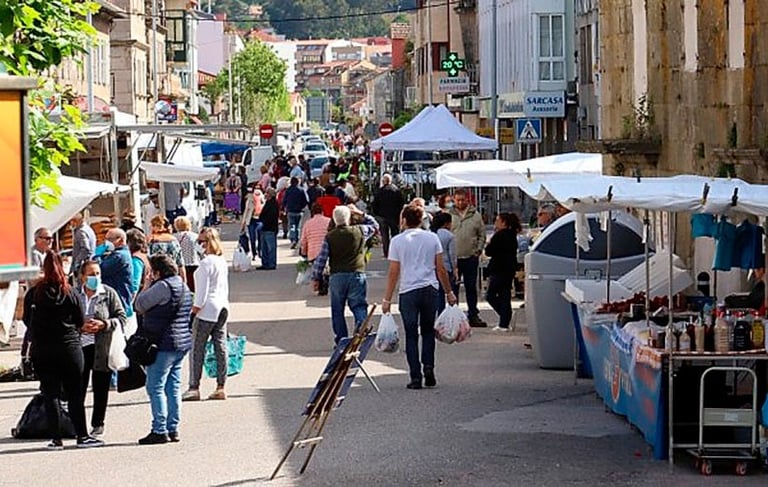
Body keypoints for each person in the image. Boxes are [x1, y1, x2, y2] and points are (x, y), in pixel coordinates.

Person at [23, 251, 103, 449]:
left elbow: (26, 320)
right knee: (75, 393)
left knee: (50, 394)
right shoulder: (70, 292)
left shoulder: (34, 294)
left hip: (43, 349)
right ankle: (82, 436)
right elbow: (79, 320)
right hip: (69, 347)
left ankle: (55, 439)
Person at [382, 205, 456, 390]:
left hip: (408, 290)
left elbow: (394, 271)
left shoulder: (397, 241)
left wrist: (387, 299)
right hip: (430, 288)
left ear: (404, 220)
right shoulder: (432, 238)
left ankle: (415, 376)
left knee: (411, 334)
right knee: (428, 331)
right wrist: (449, 291)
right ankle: (429, 367)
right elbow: (440, 268)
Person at [133, 254, 193, 445]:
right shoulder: (182, 285)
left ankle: (159, 429)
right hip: (181, 342)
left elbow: (139, 305)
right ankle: (172, 427)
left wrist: (146, 285)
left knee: (155, 386)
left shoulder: (162, 287)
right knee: (173, 386)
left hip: (163, 343)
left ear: (157, 272)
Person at [311, 205, 379, 344]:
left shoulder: (330, 237)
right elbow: (375, 225)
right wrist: (360, 213)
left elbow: (322, 259)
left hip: (337, 276)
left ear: (334, 219)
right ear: (348, 218)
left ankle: (341, 339)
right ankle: (361, 328)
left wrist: (316, 277)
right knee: (358, 305)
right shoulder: (360, 231)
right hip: (356, 273)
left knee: (337, 309)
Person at [76, 260, 127, 436]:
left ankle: (98, 423)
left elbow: (121, 318)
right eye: (91, 274)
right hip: (80, 348)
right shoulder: (75, 294)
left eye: (98, 274)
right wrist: (80, 326)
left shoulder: (108, 293)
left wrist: (104, 324)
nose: (95, 278)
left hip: (102, 348)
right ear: (82, 277)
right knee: (77, 389)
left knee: (101, 388)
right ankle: (77, 425)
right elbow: (65, 319)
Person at [182, 228, 230, 402]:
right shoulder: (221, 261)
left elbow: (201, 292)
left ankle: (194, 387)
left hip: (207, 308)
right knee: (220, 346)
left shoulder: (205, 263)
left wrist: (194, 311)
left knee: (197, 348)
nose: (198, 245)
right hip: (222, 305)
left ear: (207, 243)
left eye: (201, 241)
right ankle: (221, 386)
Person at [450, 190, 487, 327]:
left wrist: (478, 249)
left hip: (471, 257)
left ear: (468, 200)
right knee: (453, 288)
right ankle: (454, 316)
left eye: (463, 200)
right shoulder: (449, 215)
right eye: (458, 200)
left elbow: (482, 234)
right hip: (454, 258)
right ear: (454, 200)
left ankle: (473, 315)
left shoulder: (476, 215)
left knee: (471, 287)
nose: (460, 202)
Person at [484, 213, 522, 331]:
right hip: (509, 268)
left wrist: (490, 242)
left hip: (498, 268)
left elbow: (489, 251)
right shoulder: (512, 235)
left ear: (504, 223)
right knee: (504, 294)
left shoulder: (499, 235)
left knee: (491, 295)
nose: (495, 223)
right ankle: (504, 323)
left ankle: (505, 315)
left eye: (497, 221)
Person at [99, 228, 136, 336]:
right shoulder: (117, 254)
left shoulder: (119, 256)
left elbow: (100, 269)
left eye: (110, 239)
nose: (107, 243)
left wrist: (97, 256)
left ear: (121, 240)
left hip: (118, 299)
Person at [300, 203, 331, 295]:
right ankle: (325, 283)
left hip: (313, 251)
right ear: (322, 211)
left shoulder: (308, 223)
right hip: (326, 250)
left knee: (317, 269)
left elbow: (304, 240)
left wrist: (304, 251)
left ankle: (320, 284)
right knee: (326, 268)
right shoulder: (328, 221)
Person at [371, 174, 405, 258]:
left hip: (382, 216)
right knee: (395, 234)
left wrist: (376, 213)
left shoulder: (380, 191)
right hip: (394, 216)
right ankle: (396, 252)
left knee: (384, 236)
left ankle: (387, 253)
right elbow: (401, 203)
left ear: (384, 181)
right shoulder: (397, 191)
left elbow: (375, 204)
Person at [147, 215, 186, 284]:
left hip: (158, 278)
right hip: (174, 277)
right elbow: (180, 264)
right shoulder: (174, 240)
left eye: (153, 225)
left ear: (157, 226)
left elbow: (149, 263)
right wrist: (184, 281)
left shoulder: (153, 241)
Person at [433, 212, 459, 314]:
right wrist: (455, 269)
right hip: (446, 267)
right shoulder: (449, 236)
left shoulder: (432, 234)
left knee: (438, 293)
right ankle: (450, 313)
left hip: (433, 267)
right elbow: (452, 255)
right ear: (447, 223)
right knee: (448, 291)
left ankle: (439, 314)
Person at [173, 216, 199, 291]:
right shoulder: (195, 236)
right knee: (194, 288)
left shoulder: (174, 237)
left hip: (180, 266)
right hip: (194, 264)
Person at [282, 177, 309, 249]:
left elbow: (284, 200)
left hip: (290, 210)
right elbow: (306, 201)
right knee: (298, 227)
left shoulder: (288, 190)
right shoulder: (301, 190)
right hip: (299, 211)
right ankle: (297, 239)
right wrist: (302, 206)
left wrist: (283, 208)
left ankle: (293, 239)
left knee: (292, 226)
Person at [241, 186, 265, 259]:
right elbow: (246, 211)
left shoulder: (263, 199)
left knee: (260, 237)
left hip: (260, 220)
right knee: (252, 237)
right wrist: (243, 223)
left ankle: (259, 251)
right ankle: (254, 253)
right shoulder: (250, 199)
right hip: (251, 220)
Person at [258, 188, 279, 270]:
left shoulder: (273, 204)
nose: (265, 195)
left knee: (271, 248)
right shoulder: (268, 203)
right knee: (264, 248)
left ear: (270, 195)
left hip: (270, 228)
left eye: (267, 193)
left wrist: (263, 222)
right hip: (265, 228)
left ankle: (271, 264)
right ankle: (265, 263)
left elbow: (271, 217)